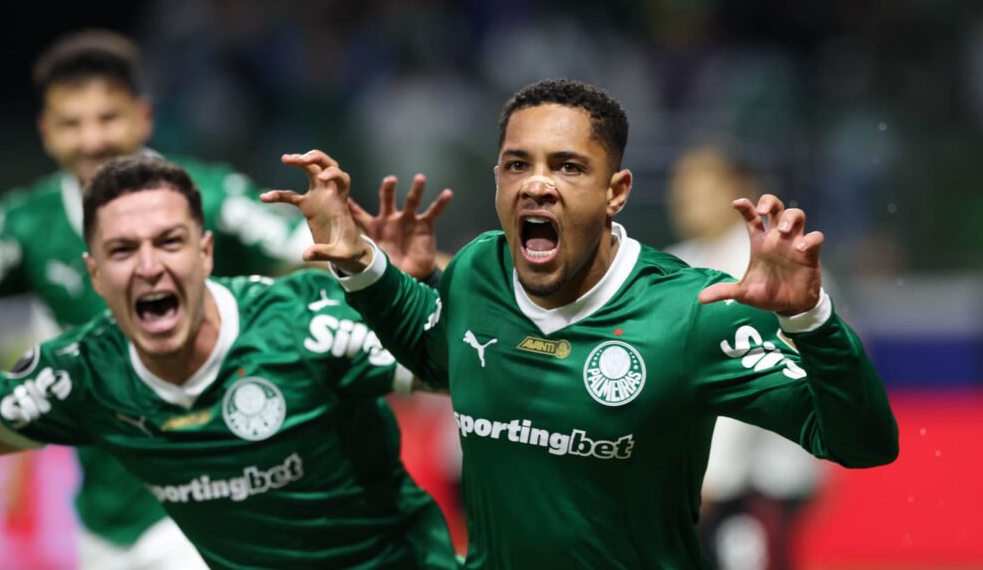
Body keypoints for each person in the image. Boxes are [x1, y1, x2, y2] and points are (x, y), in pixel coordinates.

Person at [261, 78, 900, 569]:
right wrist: (361, 262)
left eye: (567, 167)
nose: (537, 185)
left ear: (616, 191)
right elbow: (433, 355)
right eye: (518, 164)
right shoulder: (479, 270)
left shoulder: (693, 311)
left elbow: (864, 444)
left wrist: (810, 318)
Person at [0, 156, 457, 570]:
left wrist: (400, 294)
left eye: (169, 242)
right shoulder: (84, 371)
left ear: (206, 254)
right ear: (95, 275)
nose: (149, 266)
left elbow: (460, 371)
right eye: (122, 250)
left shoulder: (304, 326)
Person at [0, 30, 315, 568]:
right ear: (45, 132)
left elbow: (330, 255)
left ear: (143, 118)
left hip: (217, 499)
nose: (91, 140)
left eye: (107, 118)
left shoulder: (211, 197)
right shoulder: (24, 226)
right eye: (71, 124)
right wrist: (17, 463)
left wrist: (430, 277)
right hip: (103, 518)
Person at [665, 145, 825, 570]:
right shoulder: (676, 263)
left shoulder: (774, 264)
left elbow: (758, 373)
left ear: (739, 192)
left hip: (765, 472)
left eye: (702, 188)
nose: (687, 200)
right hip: (699, 466)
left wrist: (714, 476)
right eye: (681, 190)